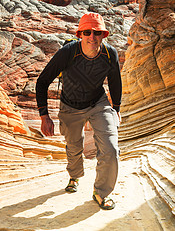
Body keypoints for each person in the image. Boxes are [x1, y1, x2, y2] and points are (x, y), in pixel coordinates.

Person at [36, 12, 122, 210]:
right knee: (74, 147)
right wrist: (44, 115)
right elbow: (42, 82)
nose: (92, 37)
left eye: (97, 32)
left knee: (110, 149)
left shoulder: (110, 54)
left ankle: (101, 193)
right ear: (80, 34)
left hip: (98, 103)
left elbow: (116, 83)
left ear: (103, 35)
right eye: (87, 32)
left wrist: (116, 109)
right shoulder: (68, 52)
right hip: (70, 106)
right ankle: (74, 176)